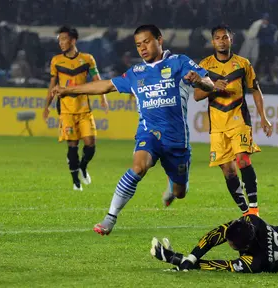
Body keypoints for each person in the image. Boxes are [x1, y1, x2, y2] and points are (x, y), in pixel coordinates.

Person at [52, 24, 214, 236]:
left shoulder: (179, 62)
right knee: (138, 167)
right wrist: (68, 90)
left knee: (179, 192)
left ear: (159, 39)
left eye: (146, 42)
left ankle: (172, 185)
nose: (142, 48)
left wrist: (200, 81)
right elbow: (106, 85)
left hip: (176, 141)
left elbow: (210, 84)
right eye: (138, 45)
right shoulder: (136, 73)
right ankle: (110, 218)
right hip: (149, 133)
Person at [164, 24, 272, 216]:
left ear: (232, 40)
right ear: (213, 42)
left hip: (239, 121)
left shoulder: (243, 64)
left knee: (243, 160)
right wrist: (213, 87)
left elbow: (255, 90)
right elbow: (197, 95)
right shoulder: (204, 66)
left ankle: (254, 208)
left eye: (225, 37)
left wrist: (264, 118)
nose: (222, 41)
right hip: (217, 126)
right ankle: (245, 211)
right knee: (228, 171)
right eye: (218, 38)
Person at [43, 26, 109, 191]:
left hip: (84, 109)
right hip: (66, 110)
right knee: (72, 145)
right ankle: (75, 182)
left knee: (90, 144)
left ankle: (83, 166)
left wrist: (103, 97)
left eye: (63, 39)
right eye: (59, 40)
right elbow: (53, 85)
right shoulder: (56, 61)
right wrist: (47, 106)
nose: (61, 43)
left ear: (73, 40)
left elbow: (96, 79)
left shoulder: (87, 59)